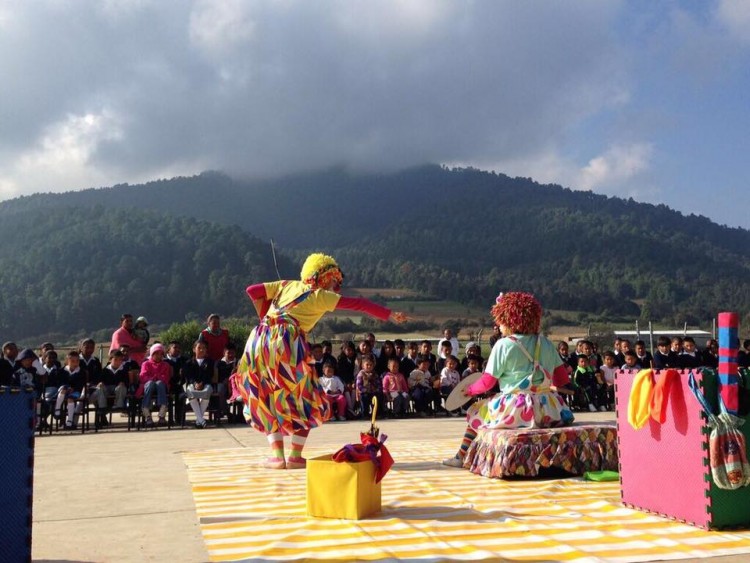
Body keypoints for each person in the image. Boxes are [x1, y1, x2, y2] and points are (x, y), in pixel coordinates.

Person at [234, 253, 403, 470]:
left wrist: (266, 313)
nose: (337, 287)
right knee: (307, 395)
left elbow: (252, 291)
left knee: (264, 395)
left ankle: (277, 457)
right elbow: (359, 304)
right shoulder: (321, 296)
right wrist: (389, 314)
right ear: (322, 276)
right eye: (335, 280)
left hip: (258, 340)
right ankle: (295, 455)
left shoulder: (286, 284)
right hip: (287, 341)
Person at [443, 292, 574, 468]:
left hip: (516, 409)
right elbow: (561, 379)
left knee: (476, 413)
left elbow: (487, 382)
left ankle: (461, 456)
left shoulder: (504, 345)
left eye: (501, 320)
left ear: (510, 320)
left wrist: (470, 390)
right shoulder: (547, 343)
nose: (498, 324)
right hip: (550, 408)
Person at [183, 340, 216, 428]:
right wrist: (195, 383)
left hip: (205, 384)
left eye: (204, 348)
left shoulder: (210, 362)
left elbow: (209, 374)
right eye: (199, 348)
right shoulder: (188, 363)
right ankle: (201, 420)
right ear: (194, 349)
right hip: (192, 384)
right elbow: (188, 376)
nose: (201, 350)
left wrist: (202, 383)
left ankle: (198, 421)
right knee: (190, 392)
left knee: (207, 391)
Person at [137, 343, 172, 428]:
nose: (158, 356)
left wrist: (158, 377)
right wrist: (152, 378)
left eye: (160, 354)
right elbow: (143, 376)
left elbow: (166, 377)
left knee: (160, 383)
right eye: (156, 353)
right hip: (149, 385)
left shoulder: (165, 365)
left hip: (161, 385)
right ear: (152, 354)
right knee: (150, 383)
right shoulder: (146, 364)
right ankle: (147, 413)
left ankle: (162, 413)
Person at [356, 355, 383, 419]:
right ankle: (365, 414)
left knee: (378, 397)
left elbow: (379, 384)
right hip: (364, 392)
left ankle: (376, 414)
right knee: (364, 398)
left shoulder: (375, 374)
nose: (369, 366)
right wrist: (364, 390)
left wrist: (377, 389)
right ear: (363, 366)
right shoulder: (361, 374)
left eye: (371, 365)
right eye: (367, 365)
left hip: (373, 392)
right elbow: (359, 385)